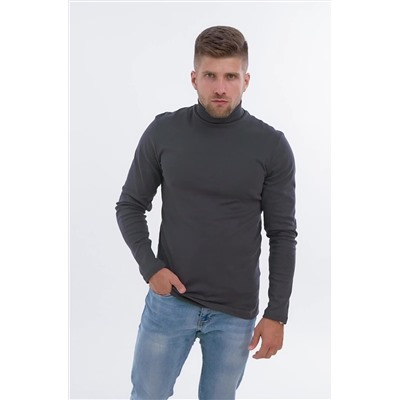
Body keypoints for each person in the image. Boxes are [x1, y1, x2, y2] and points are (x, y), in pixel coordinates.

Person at [116, 25, 297, 400]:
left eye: (231, 76)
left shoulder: (271, 146)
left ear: (246, 81)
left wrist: (276, 313)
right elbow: (130, 205)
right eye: (210, 76)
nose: (220, 87)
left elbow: (282, 235)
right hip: (171, 303)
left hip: (235, 313)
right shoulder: (164, 132)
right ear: (194, 78)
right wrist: (151, 268)